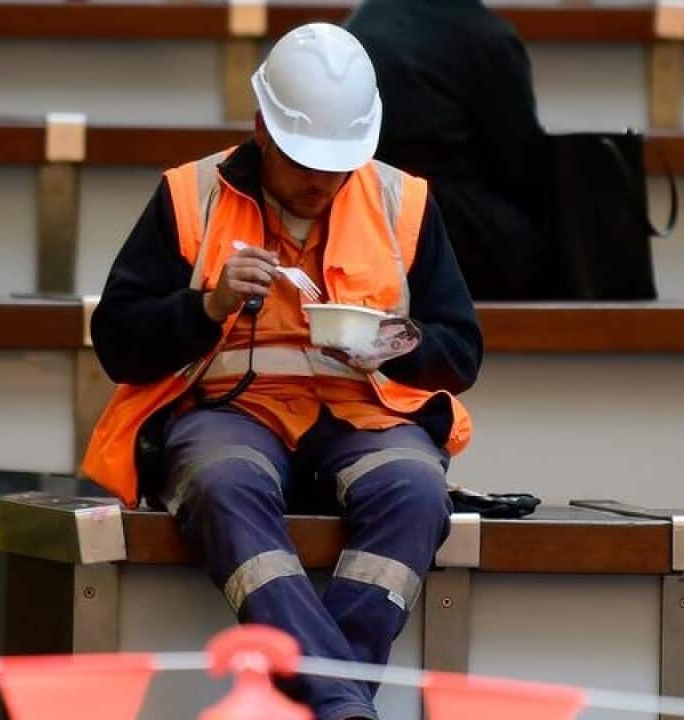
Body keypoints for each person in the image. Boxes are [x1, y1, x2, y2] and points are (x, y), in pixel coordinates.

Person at [83, 23, 481, 720]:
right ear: (262, 129)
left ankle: (328, 701)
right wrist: (207, 306)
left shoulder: (402, 200)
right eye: (303, 163)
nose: (322, 183)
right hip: (231, 417)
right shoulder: (190, 194)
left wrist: (395, 342)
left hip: (365, 414)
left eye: (337, 166)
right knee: (220, 481)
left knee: (417, 489)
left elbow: (461, 351)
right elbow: (118, 341)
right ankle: (342, 704)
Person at [345, 0, 550, 300]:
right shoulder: (487, 37)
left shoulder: (359, 24)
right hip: (457, 238)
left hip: (359, 226)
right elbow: (521, 166)